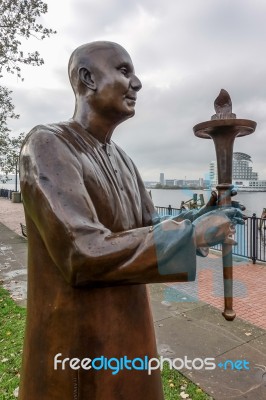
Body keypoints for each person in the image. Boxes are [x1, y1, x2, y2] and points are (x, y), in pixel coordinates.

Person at [19, 41, 243, 400]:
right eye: (124, 71)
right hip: (79, 345)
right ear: (87, 78)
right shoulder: (47, 144)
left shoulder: (122, 158)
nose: (137, 83)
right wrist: (192, 236)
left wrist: (203, 215)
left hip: (132, 333)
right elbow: (81, 253)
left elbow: (148, 225)